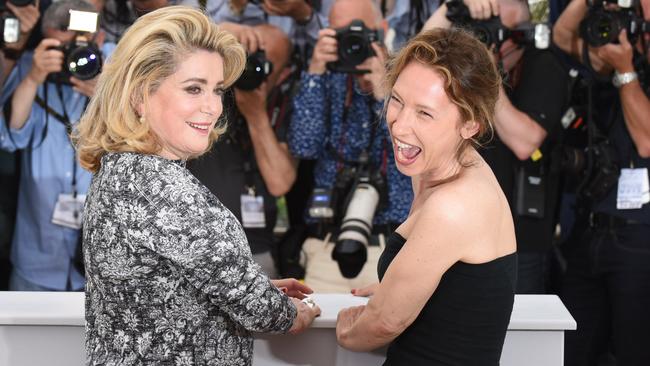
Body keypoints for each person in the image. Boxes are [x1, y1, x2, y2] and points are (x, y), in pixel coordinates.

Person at [74, 6, 320, 364]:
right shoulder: (163, 191)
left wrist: (249, 284)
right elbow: (266, 315)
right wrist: (301, 311)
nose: (213, 107)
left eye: (217, 90)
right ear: (140, 96)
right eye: (193, 89)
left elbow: (159, 290)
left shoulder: (121, 170)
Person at [335, 28, 517, 365]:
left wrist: (345, 331)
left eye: (425, 113)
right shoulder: (457, 164)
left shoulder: (454, 204)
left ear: (470, 125)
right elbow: (457, 283)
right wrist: (402, 286)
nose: (399, 125)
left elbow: (385, 322)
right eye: (398, 101)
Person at [423, 0, 569, 294]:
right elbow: (419, 55)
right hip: (458, 234)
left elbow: (524, 142)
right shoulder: (462, 69)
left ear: (523, 34)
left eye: (500, 31)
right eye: (482, 30)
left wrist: (490, 74)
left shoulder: (545, 65)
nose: (488, 41)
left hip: (519, 242)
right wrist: (455, 5)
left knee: (517, 335)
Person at [288, 0, 412, 292]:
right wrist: (316, 71)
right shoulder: (327, 78)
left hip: (389, 247)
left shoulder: (407, 80)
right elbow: (303, 145)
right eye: (339, 32)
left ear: (381, 30)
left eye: (359, 32)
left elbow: (409, 153)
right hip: (326, 244)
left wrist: (386, 94)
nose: (350, 41)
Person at [552, 0, 650, 364]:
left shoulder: (626, 65)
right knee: (571, 350)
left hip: (639, 239)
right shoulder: (612, 50)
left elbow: (646, 140)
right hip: (591, 229)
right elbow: (562, 36)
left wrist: (626, 72)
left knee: (633, 352)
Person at [0, 0, 115, 291]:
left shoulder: (116, 64)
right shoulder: (33, 65)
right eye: (58, 48)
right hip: (36, 254)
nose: (69, 58)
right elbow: (13, 134)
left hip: (103, 264)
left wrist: (106, 94)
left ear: (99, 39)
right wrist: (34, 77)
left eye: (77, 47)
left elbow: (145, 138)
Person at [187, 23, 295, 277]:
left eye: (264, 64)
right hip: (196, 246)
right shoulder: (208, 98)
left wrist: (256, 114)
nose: (251, 70)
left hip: (255, 249)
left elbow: (280, 182)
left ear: (281, 74)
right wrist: (220, 32)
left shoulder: (284, 106)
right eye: (247, 60)